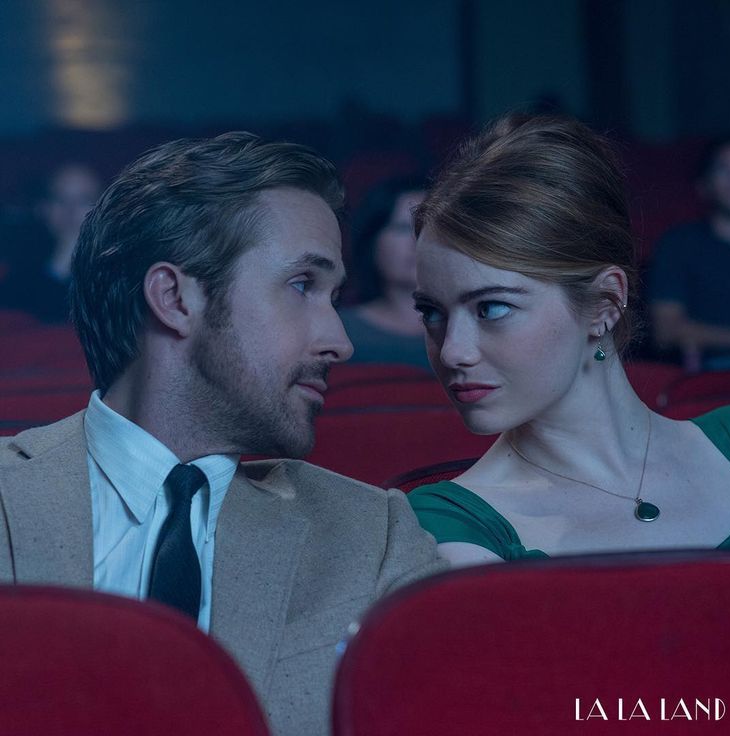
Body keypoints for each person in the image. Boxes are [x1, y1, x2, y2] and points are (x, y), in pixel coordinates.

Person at [0, 133, 443, 735]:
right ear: (175, 298)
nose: (340, 340)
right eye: (302, 286)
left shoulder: (374, 538)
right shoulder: (8, 494)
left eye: (334, 296)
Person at [407, 115, 730, 566]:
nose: (452, 352)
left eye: (492, 308)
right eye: (432, 313)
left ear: (604, 303)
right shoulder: (449, 522)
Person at [649, 136, 730, 370]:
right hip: (713, 371)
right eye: (724, 169)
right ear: (704, 184)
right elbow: (665, 330)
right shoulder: (679, 244)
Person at [340, 176, 430, 369]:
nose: (417, 241)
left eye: (430, 229)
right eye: (403, 228)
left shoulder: (469, 330)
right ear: (372, 241)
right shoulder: (339, 331)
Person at [0, 162, 102, 322]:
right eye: (60, 199)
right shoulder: (20, 260)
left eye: (83, 200)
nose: (70, 210)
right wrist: (60, 262)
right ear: (44, 208)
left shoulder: (119, 263)